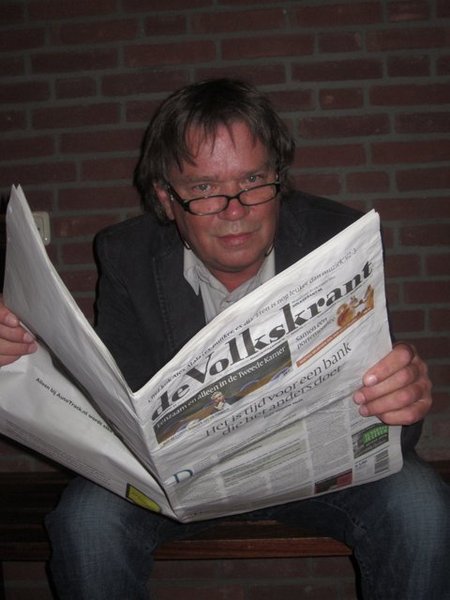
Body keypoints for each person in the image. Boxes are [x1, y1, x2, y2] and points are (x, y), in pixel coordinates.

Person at [0, 78, 448, 600]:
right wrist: (23, 358)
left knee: (421, 507)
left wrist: (402, 398)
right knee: (86, 523)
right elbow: (113, 404)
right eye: (204, 188)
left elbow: (391, 429)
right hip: (185, 487)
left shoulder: (338, 239)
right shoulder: (127, 257)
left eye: (253, 180)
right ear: (167, 198)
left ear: (278, 178)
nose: (235, 210)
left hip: (310, 477)